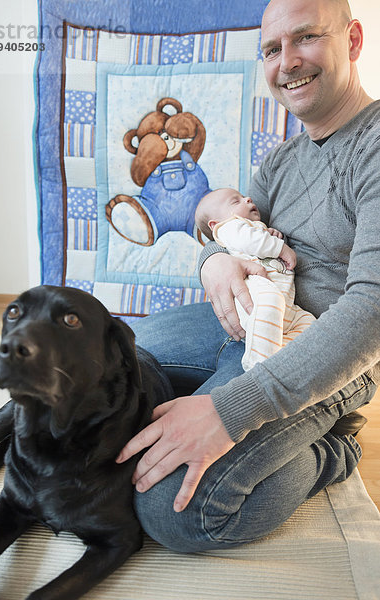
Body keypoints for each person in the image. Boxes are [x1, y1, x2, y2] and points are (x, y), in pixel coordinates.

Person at [116, 0, 380, 552]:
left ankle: (330, 450)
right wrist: (213, 262)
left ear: (352, 41)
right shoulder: (282, 159)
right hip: (246, 319)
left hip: (319, 347)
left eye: (305, 38)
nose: (287, 62)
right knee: (116, 355)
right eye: (271, 49)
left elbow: (372, 308)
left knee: (175, 509)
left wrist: (232, 411)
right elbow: (218, 230)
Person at [195, 188, 315, 370]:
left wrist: (270, 233)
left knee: (308, 323)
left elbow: (255, 238)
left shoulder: (252, 228)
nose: (248, 198)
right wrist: (280, 247)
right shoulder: (228, 227)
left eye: (243, 197)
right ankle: (258, 366)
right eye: (236, 201)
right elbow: (249, 240)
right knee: (270, 301)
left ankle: (278, 352)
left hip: (286, 306)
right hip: (256, 292)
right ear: (215, 224)